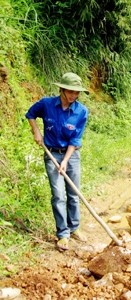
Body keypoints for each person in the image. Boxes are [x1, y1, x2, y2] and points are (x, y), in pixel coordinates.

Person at [25, 72, 89, 251]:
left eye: (76, 93)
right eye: (70, 91)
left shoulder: (81, 111)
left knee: (73, 194)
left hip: (71, 155)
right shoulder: (46, 104)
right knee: (58, 195)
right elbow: (30, 114)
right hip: (51, 153)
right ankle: (63, 233)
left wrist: (66, 160)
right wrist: (36, 132)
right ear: (61, 89)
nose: (73, 96)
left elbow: (75, 140)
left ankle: (74, 227)